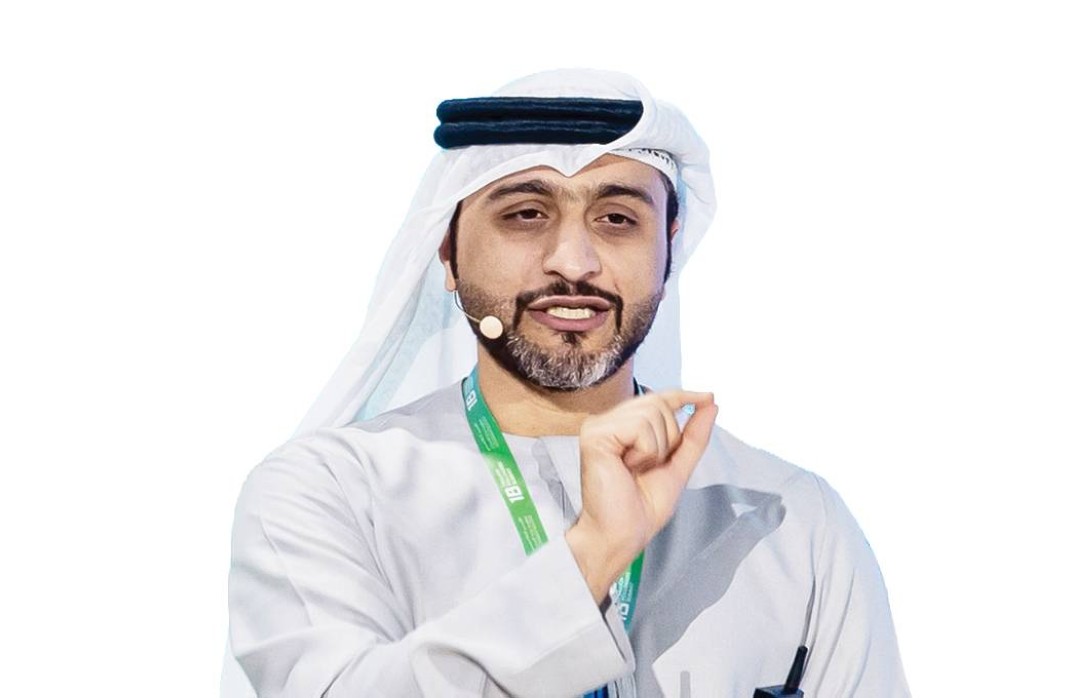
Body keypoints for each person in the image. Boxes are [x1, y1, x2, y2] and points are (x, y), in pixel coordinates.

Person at [224, 69, 910, 697]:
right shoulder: (330, 494)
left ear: (668, 247)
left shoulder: (792, 520)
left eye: (617, 219)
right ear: (448, 251)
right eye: (526, 214)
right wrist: (593, 554)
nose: (573, 263)